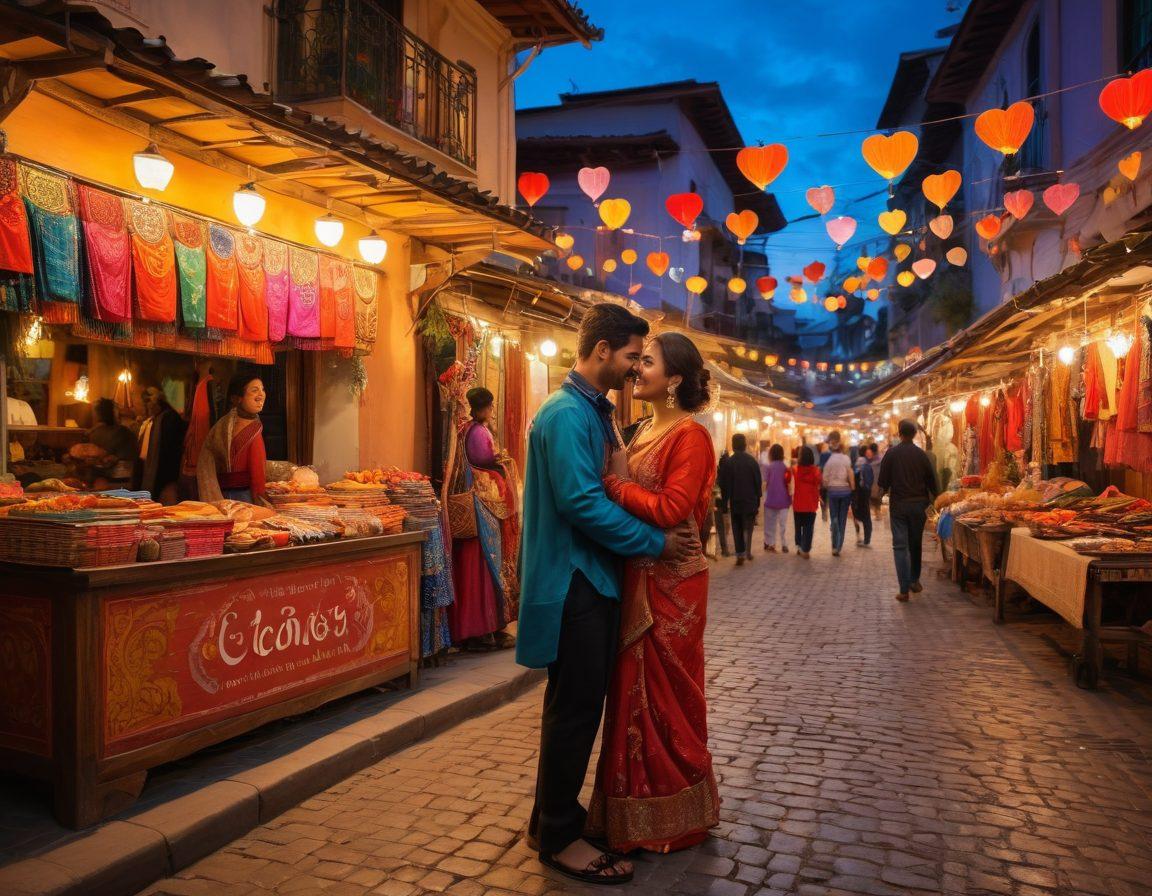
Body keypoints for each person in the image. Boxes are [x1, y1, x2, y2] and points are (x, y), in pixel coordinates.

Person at [517, 304, 698, 886]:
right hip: (575, 582)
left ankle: (549, 821)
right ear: (601, 351)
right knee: (574, 712)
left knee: (573, 708)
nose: (632, 368)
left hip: (593, 579)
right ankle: (561, 840)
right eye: (629, 356)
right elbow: (582, 503)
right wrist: (655, 541)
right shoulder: (568, 413)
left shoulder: (593, 412)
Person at [587, 331, 718, 854]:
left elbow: (671, 511)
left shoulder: (691, 437)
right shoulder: (641, 429)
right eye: (637, 360)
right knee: (627, 694)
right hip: (636, 574)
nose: (636, 369)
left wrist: (615, 485)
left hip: (673, 586)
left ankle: (671, 814)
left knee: (667, 699)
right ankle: (627, 814)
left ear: (676, 379)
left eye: (647, 362)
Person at [448, 387, 519, 651]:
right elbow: (483, 459)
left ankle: (488, 628)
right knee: (485, 562)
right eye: (490, 406)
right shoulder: (476, 431)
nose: (491, 410)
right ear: (484, 407)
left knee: (483, 563)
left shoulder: (468, 429)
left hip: (478, 502)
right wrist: (502, 461)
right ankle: (481, 629)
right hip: (481, 503)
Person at [878, 419, 940, 602]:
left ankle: (903, 589)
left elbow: (882, 482)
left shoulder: (891, 454)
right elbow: (932, 482)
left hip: (899, 506)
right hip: (918, 505)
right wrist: (936, 499)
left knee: (899, 546)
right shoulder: (922, 455)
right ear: (914, 434)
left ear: (899, 433)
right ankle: (914, 580)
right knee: (915, 543)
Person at [197, 374, 267, 503]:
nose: (261, 395)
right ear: (237, 398)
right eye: (254, 390)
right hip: (243, 498)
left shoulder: (223, 425)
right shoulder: (252, 428)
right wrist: (262, 501)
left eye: (262, 389)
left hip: (224, 495)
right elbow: (257, 475)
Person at [132, 386, 187, 504]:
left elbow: (172, 452)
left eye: (147, 403)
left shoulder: (170, 419)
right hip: (154, 476)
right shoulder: (151, 422)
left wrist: (170, 482)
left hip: (166, 479)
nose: (145, 408)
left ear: (155, 402)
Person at [718, 432, 761, 566]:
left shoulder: (729, 463)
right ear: (745, 445)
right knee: (748, 527)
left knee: (737, 527)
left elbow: (724, 485)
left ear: (733, 445)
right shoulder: (752, 461)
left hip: (735, 501)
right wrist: (758, 500)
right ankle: (747, 551)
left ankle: (740, 553)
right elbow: (757, 482)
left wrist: (725, 504)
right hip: (750, 501)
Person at [85, 397, 136, 487]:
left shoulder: (92, 434)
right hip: (118, 481)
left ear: (98, 414)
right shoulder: (124, 431)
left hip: (114, 480)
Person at [822, 433, 855, 557]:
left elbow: (824, 479)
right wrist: (852, 487)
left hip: (833, 492)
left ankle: (834, 545)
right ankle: (839, 545)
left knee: (834, 516)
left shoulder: (829, 461)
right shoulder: (846, 459)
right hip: (845, 492)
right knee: (843, 519)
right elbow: (850, 474)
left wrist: (827, 485)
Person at [761, 443, 791, 553]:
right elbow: (788, 482)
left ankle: (771, 543)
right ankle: (784, 544)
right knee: (783, 524)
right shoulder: (785, 467)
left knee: (770, 523)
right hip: (784, 498)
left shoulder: (769, 467)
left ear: (771, 454)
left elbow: (766, 482)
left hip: (771, 498)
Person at [792, 445, 821, 558]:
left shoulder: (795, 470)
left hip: (798, 503)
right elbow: (819, 481)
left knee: (798, 526)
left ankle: (799, 546)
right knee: (809, 527)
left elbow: (789, 480)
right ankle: (806, 549)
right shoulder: (816, 471)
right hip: (811, 503)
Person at [853, 444, 875, 547]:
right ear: (866, 453)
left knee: (856, 516)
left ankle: (858, 537)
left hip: (855, 494)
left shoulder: (855, 464)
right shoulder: (867, 465)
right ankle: (866, 540)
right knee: (866, 518)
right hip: (864, 494)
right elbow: (870, 481)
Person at [713, 451, 731, 557]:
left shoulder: (717, 472)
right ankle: (724, 548)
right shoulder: (729, 471)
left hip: (717, 502)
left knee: (719, 526)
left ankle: (723, 548)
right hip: (724, 503)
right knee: (723, 526)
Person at [816, 440, 830, 521]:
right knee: (827, 496)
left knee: (822, 495)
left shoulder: (821, 456)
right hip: (829, 480)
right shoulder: (830, 455)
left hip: (822, 479)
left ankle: (824, 511)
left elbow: (819, 466)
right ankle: (826, 510)